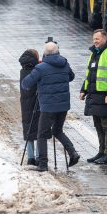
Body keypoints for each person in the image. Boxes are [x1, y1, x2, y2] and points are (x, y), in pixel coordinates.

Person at [21, 41, 80, 171]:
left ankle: (42, 164)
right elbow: (71, 77)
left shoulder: (41, 68)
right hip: (63, 105)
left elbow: (26, 84)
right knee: (57, 131)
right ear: (57, 51)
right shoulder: (64, 63)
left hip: (48, 107)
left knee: (41, 134)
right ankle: (73, 153)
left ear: (45, 53)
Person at [80, 29, 107, 165]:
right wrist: (83, 90)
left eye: (97, 39)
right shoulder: (94, 53)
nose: (95, 41)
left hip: (105, 96)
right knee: (98, 125)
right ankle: (101, 152)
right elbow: (90, 74)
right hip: (94, 95)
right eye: (94, 39)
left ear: (104, 38)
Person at [19, 49, 41, 166]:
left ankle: (30, 157)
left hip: (25, 103)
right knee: (38, 130)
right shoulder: (36, 70)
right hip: (36, 102)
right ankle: (38, 157)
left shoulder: (23, 70)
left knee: (28, 128)